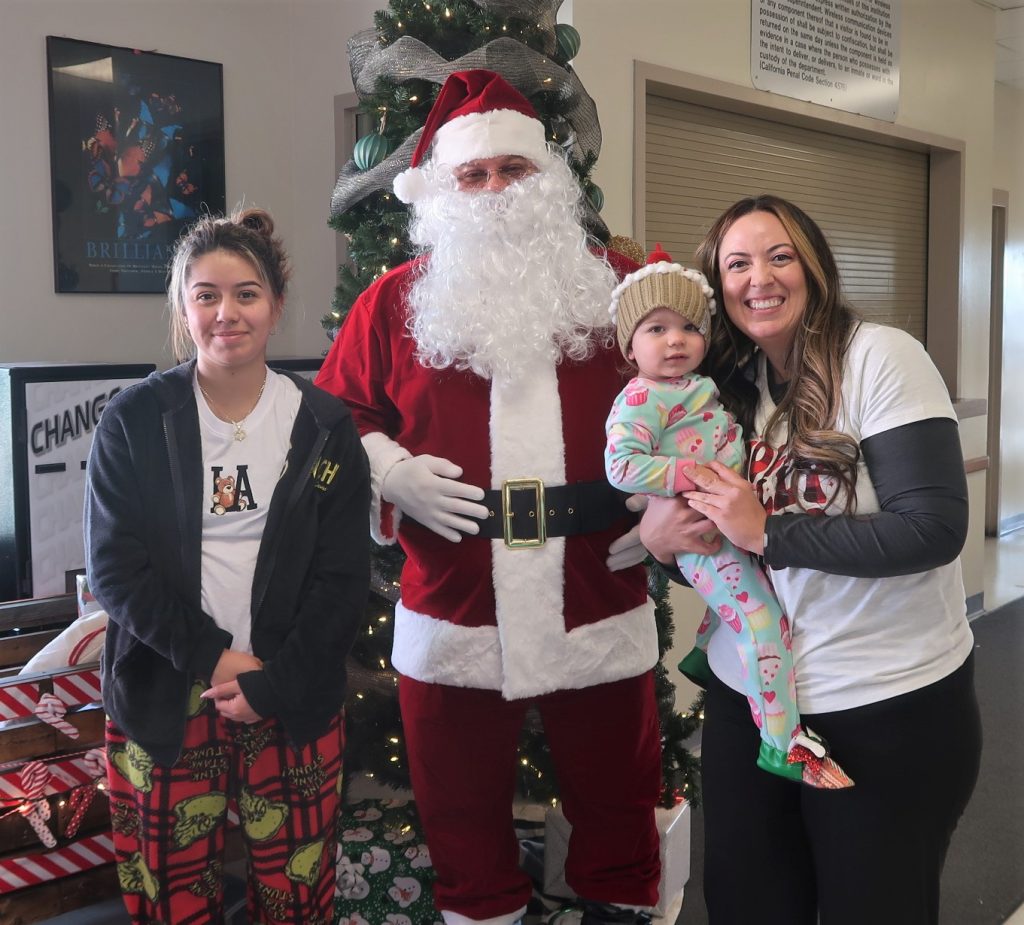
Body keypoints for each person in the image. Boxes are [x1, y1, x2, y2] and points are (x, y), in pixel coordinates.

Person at [316, 70, 661, 925]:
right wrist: (388, 470)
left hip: (597, 591)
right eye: (474, 175)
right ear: (442, 190)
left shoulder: (622, 287)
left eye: (515, 169)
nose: (497, 190)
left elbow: (695, 406)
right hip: (454, 603)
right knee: (461, 821)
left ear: (549, 179)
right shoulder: (391, 302)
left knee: (620, 809)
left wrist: (670, 511)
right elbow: (327, 419)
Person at [640, 194, 982, 924]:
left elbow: (934, 527)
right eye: (737, 263)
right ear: (718, 285)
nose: (758, 277)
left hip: (882, 707)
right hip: (751, 706)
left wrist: (772, 531)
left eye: (779, 256)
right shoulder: (724, 389)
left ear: (815, 268)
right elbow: (718, 543)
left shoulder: (880, 357)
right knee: (744, 906)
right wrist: (662, 548)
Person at [85, 207, 371, 925]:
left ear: (275, 303)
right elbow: (117, 571)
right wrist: (218, 661)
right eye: (206, 294)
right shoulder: (133, 421)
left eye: (245, 293)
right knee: (170, 903)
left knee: (296, 902)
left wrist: (271, 680)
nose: (226, 312)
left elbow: (341, 581)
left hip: (293, 698)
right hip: (164, 698)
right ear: (184, 307)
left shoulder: (325, 427)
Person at [604, 243, 853, 790]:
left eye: (689, 327)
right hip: (707, 530)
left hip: (731, 523)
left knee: (750, 596)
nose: (675, 340)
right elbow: (622, 466)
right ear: (630, 345)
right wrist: (695, 478)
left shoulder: (698, 385)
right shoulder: (642, 397)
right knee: (765, 623)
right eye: (655, 329)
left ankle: (700, 655)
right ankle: (782, 742)